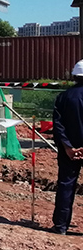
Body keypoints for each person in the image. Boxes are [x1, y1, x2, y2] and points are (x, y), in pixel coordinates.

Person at [50, 59, 83, 235]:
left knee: (66, 185)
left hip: (68, 151)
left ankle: (61, 225)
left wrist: (68, 147)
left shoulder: (64, 97)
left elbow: (58, 125)